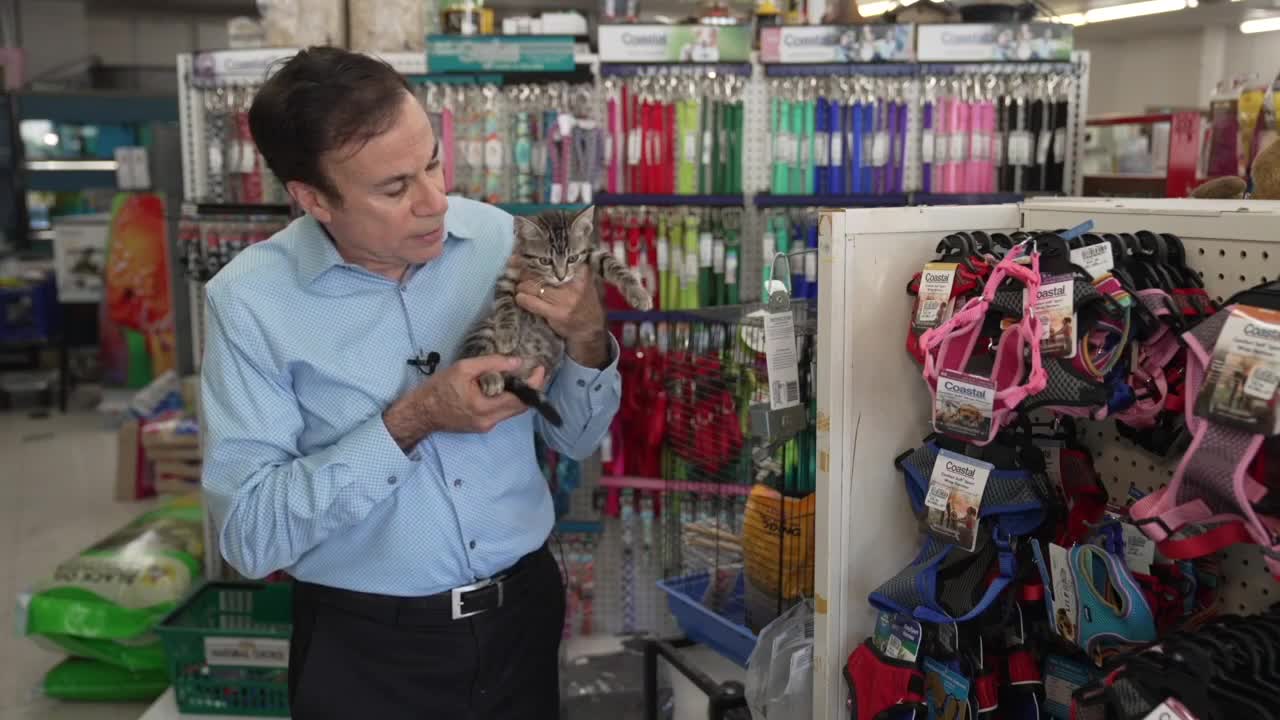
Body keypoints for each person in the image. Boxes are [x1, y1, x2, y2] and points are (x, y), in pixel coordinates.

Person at [200, 46, 622, 720]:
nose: (434, 202)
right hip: (368, 651)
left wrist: (588, 337)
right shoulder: (248, 304)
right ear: (313, 199)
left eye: (432, 162)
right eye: (394, 188)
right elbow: (251, 537)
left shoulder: (497, 240)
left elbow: (578, 436)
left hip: (524, 618)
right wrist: (411, 421)